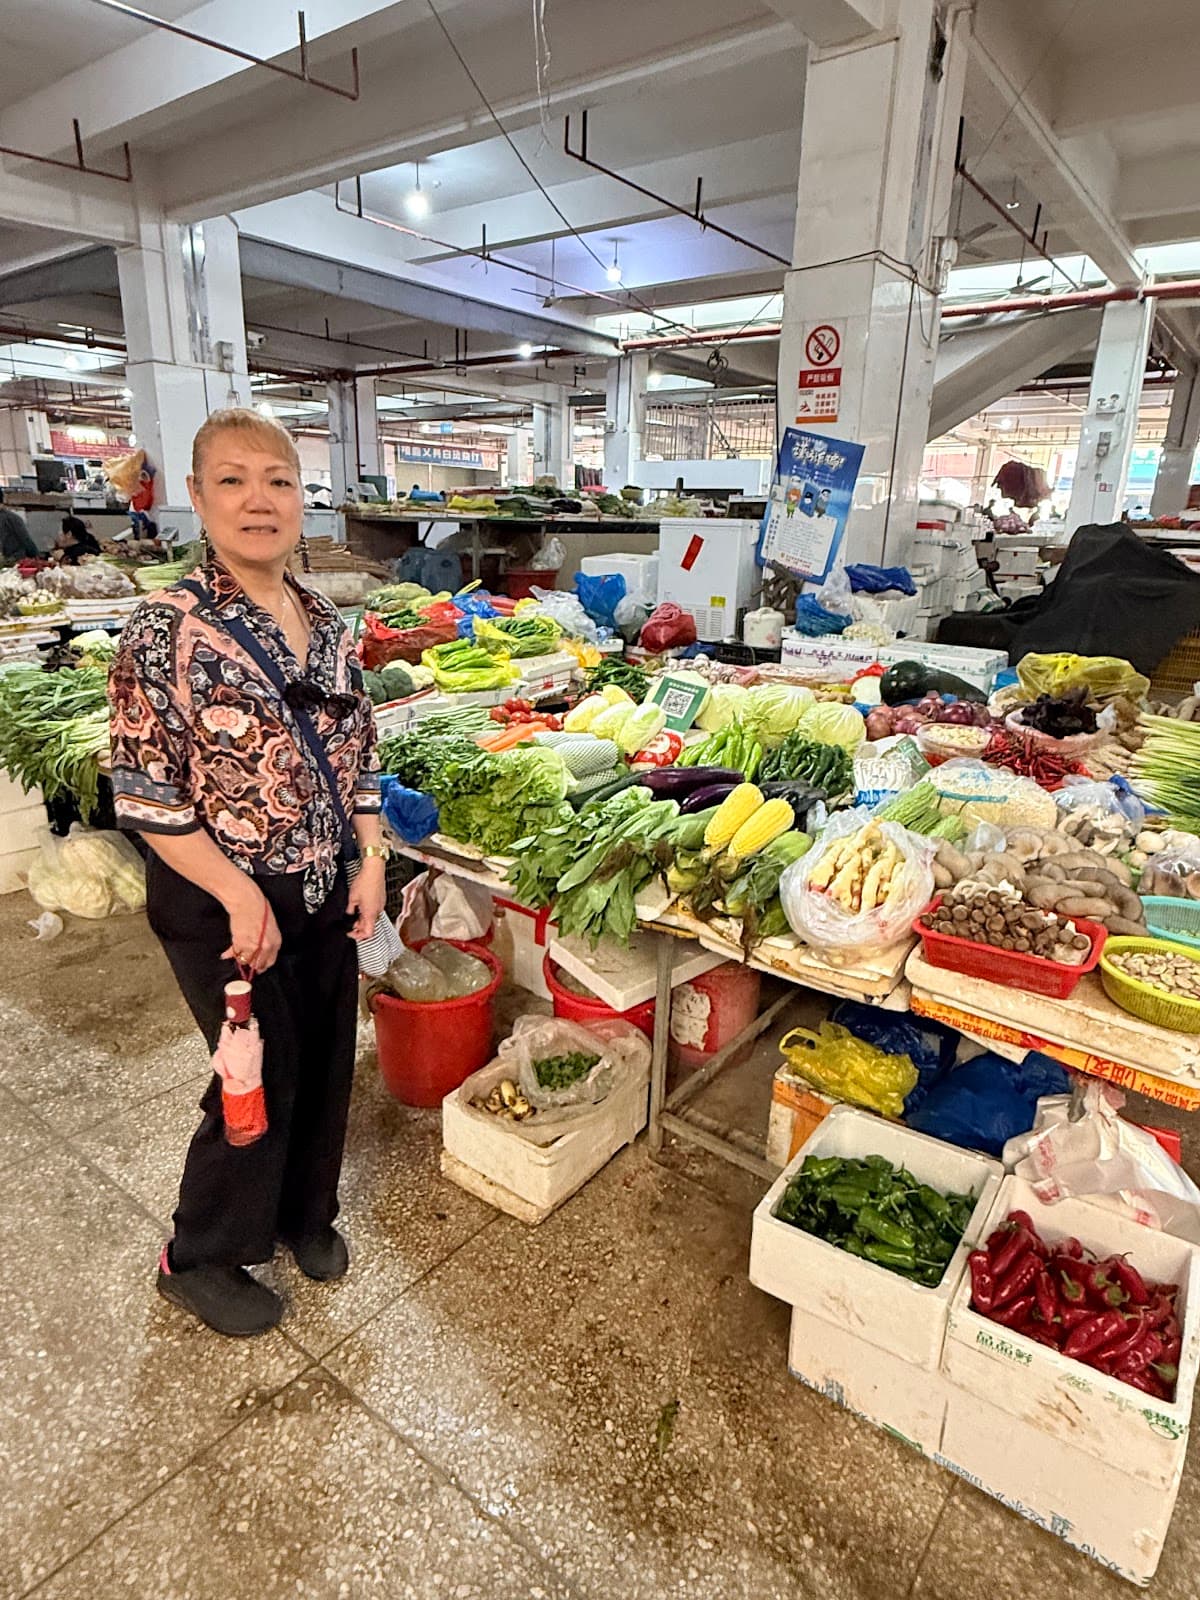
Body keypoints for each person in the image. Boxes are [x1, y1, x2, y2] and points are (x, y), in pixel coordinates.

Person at [108, 406, 387, 1338]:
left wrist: (372, 857)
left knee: (325, 1063)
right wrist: (235, 893)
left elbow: (360, 758)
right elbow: (146, 796)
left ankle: (306, 1217)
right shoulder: (164, 630)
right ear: (195, 497)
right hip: (217, 898)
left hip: (320, 886)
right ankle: (200, 1255)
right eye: (232, 480)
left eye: (277, 480)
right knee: (252, 1072)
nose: (258, 500)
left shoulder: (328, 623)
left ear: (300, 499)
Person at [0, 489, 38, 562]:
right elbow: (27, 541)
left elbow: (27, 542)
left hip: (13, 561)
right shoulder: (13, 518)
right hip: (13, 561)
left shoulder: (10, 519)